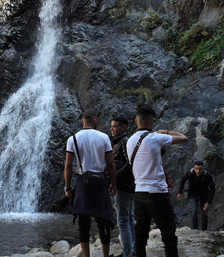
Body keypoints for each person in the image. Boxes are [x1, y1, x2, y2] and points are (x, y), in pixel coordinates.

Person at [126, 104, 188, 257]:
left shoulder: (130, 141)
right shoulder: (156, 137)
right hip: (157, 193)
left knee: (140, 235)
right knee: (168, 235)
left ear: (136, 121)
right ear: (152, 122)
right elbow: (184, 138)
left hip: (139, 193)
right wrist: (165, 131)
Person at [64, 109, 118, 257]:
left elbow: (68, 166)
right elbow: (110, 163)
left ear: (82, 121)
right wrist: (114, 183)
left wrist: (68, 187)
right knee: (104, 220)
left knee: (83, 222)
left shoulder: (73, 139)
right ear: (95, 120)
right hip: (100, 181)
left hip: (83, 181)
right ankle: (105, 255)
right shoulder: (104, 137)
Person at [111, 116, 135, 257]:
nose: (112, 129)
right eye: (111, 126)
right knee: (129, 217)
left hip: (125, 186)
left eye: (114, 126)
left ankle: (127, 253)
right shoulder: (118, 142)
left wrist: (115, 176)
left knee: (123, 220)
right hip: (124, 185)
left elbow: (130, 163)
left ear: (123, 127)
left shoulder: (125, 142)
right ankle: (133, 249)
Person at [177, 160, 215, 230]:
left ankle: (204, 231)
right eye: (196, 169)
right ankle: (195, 230)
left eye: (200, 169)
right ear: (194, 168)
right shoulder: (190, 173)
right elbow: (183, 180)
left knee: (204, 212)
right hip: (193, 194)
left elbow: (212, 190)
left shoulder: (207, 175)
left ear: (203, 168)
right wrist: (180, 193)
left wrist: (208, 202)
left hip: (204, 195)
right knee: (194, 211)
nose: (198, 171)